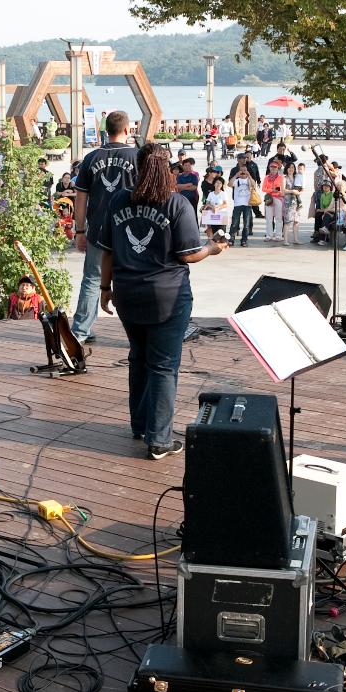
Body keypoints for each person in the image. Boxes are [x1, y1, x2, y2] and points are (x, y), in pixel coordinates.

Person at [97, 142, 228, 459]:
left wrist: (105, 289)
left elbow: (108, 251)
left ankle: (141, 425)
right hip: (168, 296)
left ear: (139, 167)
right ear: (169, 169)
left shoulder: (118, 200)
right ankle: (159, 440)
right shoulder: (177, 204)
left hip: (127, 293)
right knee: (164, 366)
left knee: (138, 357)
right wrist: (212, 248)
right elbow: (188, 254)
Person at [71, 110, 139, 346]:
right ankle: (139, 333)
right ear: (128, 130)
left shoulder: (91, 158)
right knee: (132, 278)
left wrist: (79, 230)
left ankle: (80, 331)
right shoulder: (137, 157)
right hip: (129, 230)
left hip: (98, 229)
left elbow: (80, 198)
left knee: (91, 279)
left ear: (106, 130)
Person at [229, 166, 256, 246]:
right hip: (237, 204)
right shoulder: (236, 180)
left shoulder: (249, 180)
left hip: (247, 205)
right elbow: (229, 184)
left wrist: (249, 176)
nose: (243, 172)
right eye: (241, 170)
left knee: (246, 224)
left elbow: (253, 185)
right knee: (234, 223)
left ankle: (244, 240)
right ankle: (231, 239)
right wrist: (235, 175)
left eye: (245, 170)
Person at [261, 159, 286, 241]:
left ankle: (278, 236)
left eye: (275, 168)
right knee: (269, 218)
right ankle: (269, 235)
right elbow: (263, 189)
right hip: (269, 199)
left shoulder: (281, 177)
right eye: (272, 167)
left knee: (279, 218)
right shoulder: (266, 178)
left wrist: (277, 191)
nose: (273, 169)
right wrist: (272, 190)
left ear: (278, 168)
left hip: (278, 198)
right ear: (269, 168)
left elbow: (282, 189)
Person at [310, 180, 338, 246]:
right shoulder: (322, 195)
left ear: (330, 187)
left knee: (323, 215)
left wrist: (322, 210)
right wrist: (321, 210)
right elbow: (322, 207)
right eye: (324, 186)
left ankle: (322, 237)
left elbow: (331, 206)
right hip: (324, 210)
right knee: (318, 215)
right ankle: (316, 233)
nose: (325, 187)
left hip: (331, 211)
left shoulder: (332, 194)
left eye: (327, 186)